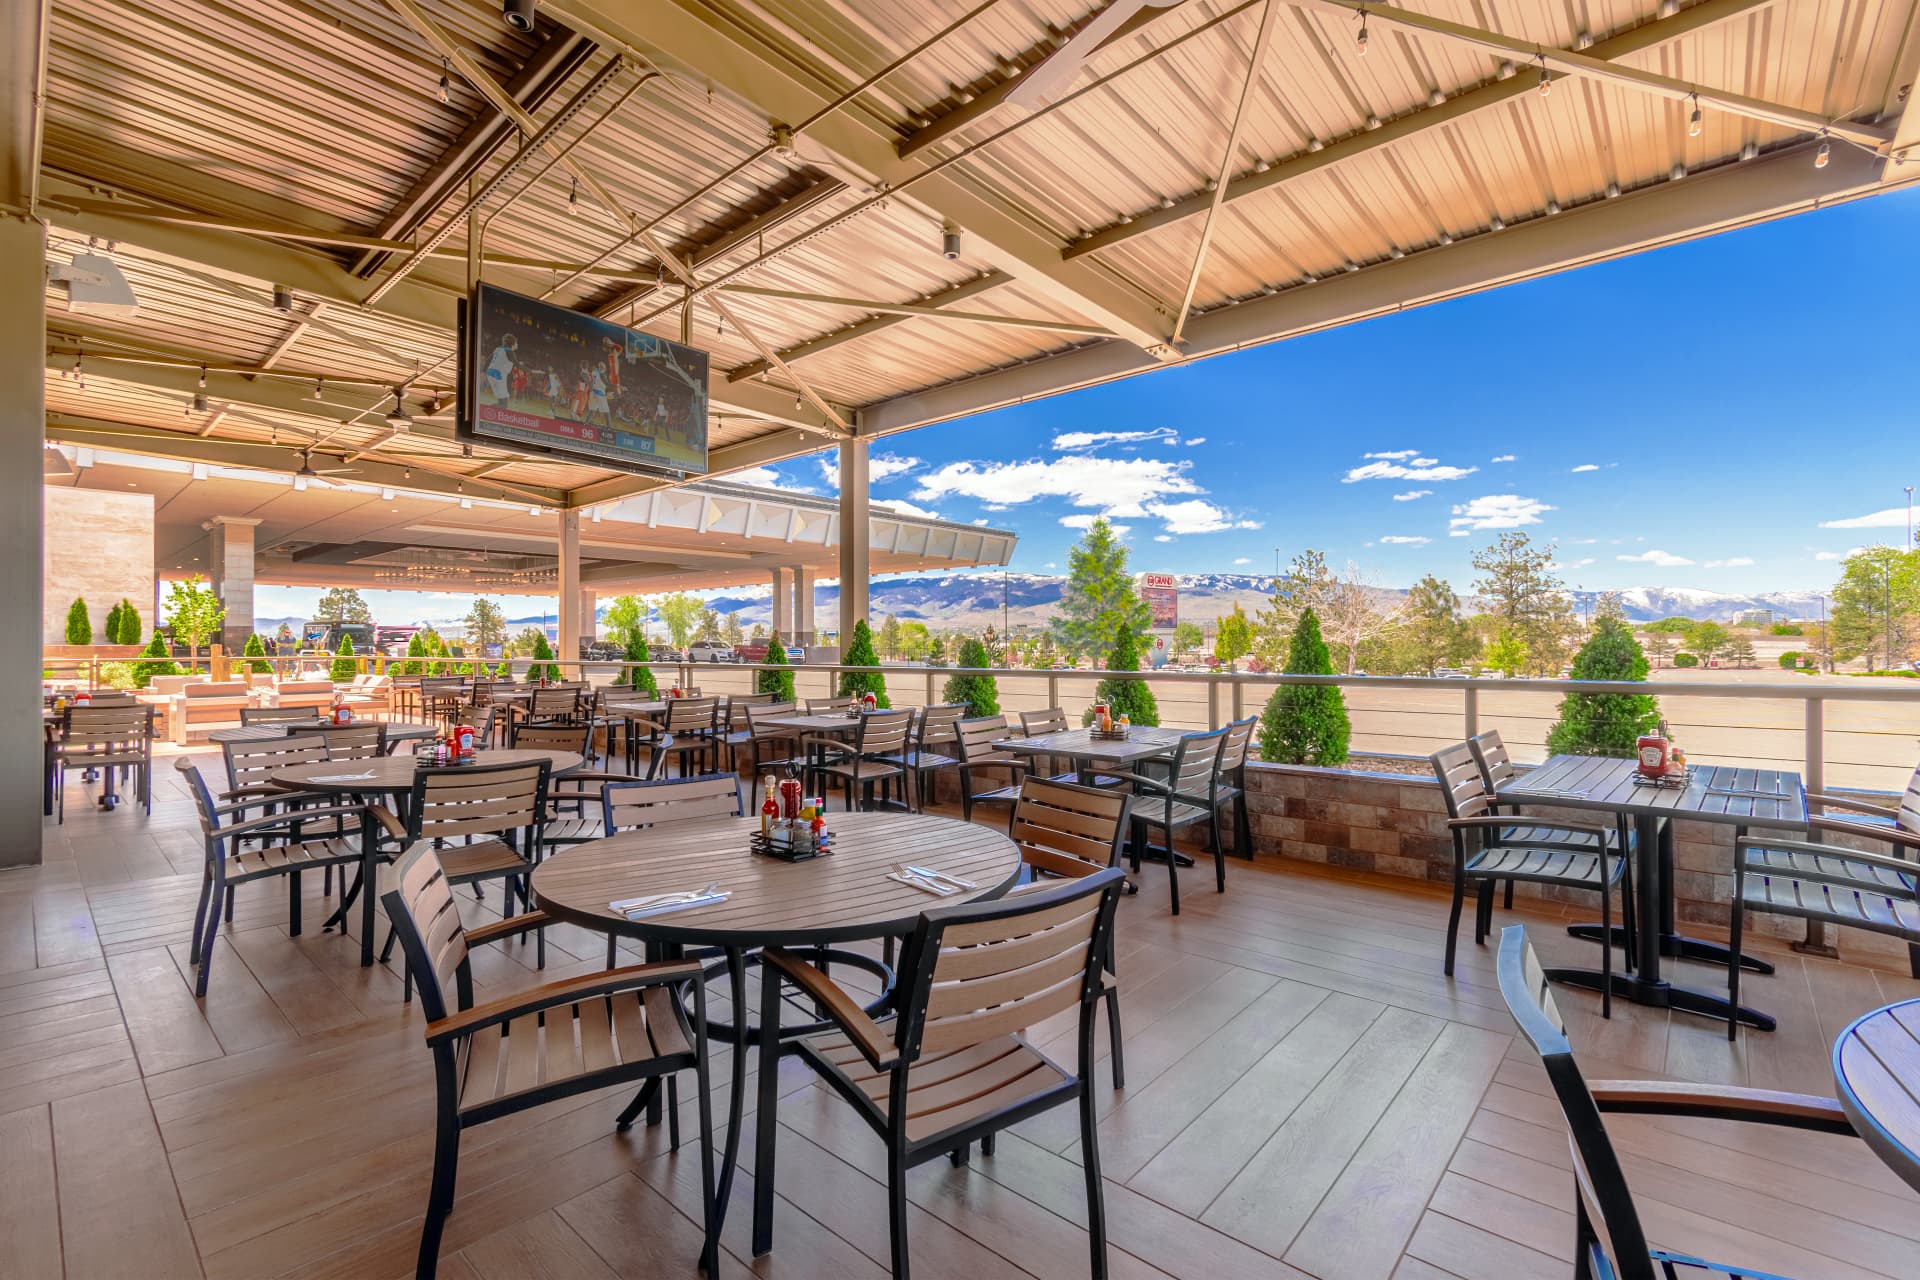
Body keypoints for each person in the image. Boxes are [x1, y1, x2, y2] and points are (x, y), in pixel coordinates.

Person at [483, 333, 517, 403]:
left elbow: (488, 360)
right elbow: (517, 365)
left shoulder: (498, 349)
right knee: (503, 402)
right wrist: (531, 370)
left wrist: (483, 371)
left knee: (502, 401)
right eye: (516, 342)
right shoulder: (509, 352)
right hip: (498, 375)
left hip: (492, 373)